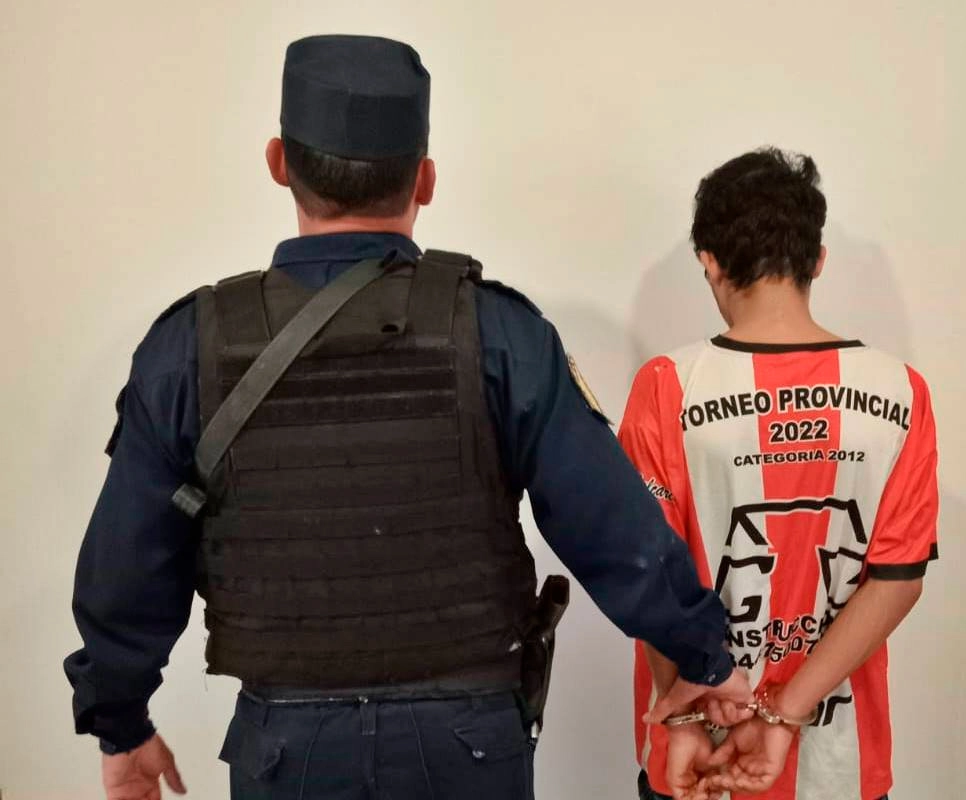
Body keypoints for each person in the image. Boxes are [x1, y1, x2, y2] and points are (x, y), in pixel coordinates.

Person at [64, 34, 751, 800]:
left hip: (286, 747)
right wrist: (706, 659)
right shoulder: (499, 334)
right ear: (425, 178)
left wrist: (119, 722)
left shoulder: (188, 347)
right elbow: (611, 527)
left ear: (278, 162)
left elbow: (127, 565)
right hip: (468, 742)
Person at [620, 148, 938, 800]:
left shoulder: (667, 386)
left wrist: (683, 713)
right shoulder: (902, 392)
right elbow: (899, 581)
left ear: (710, 261)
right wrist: (786, 712)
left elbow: (646, 572)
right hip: (841, 765)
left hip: (695, 758)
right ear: (817, 259)